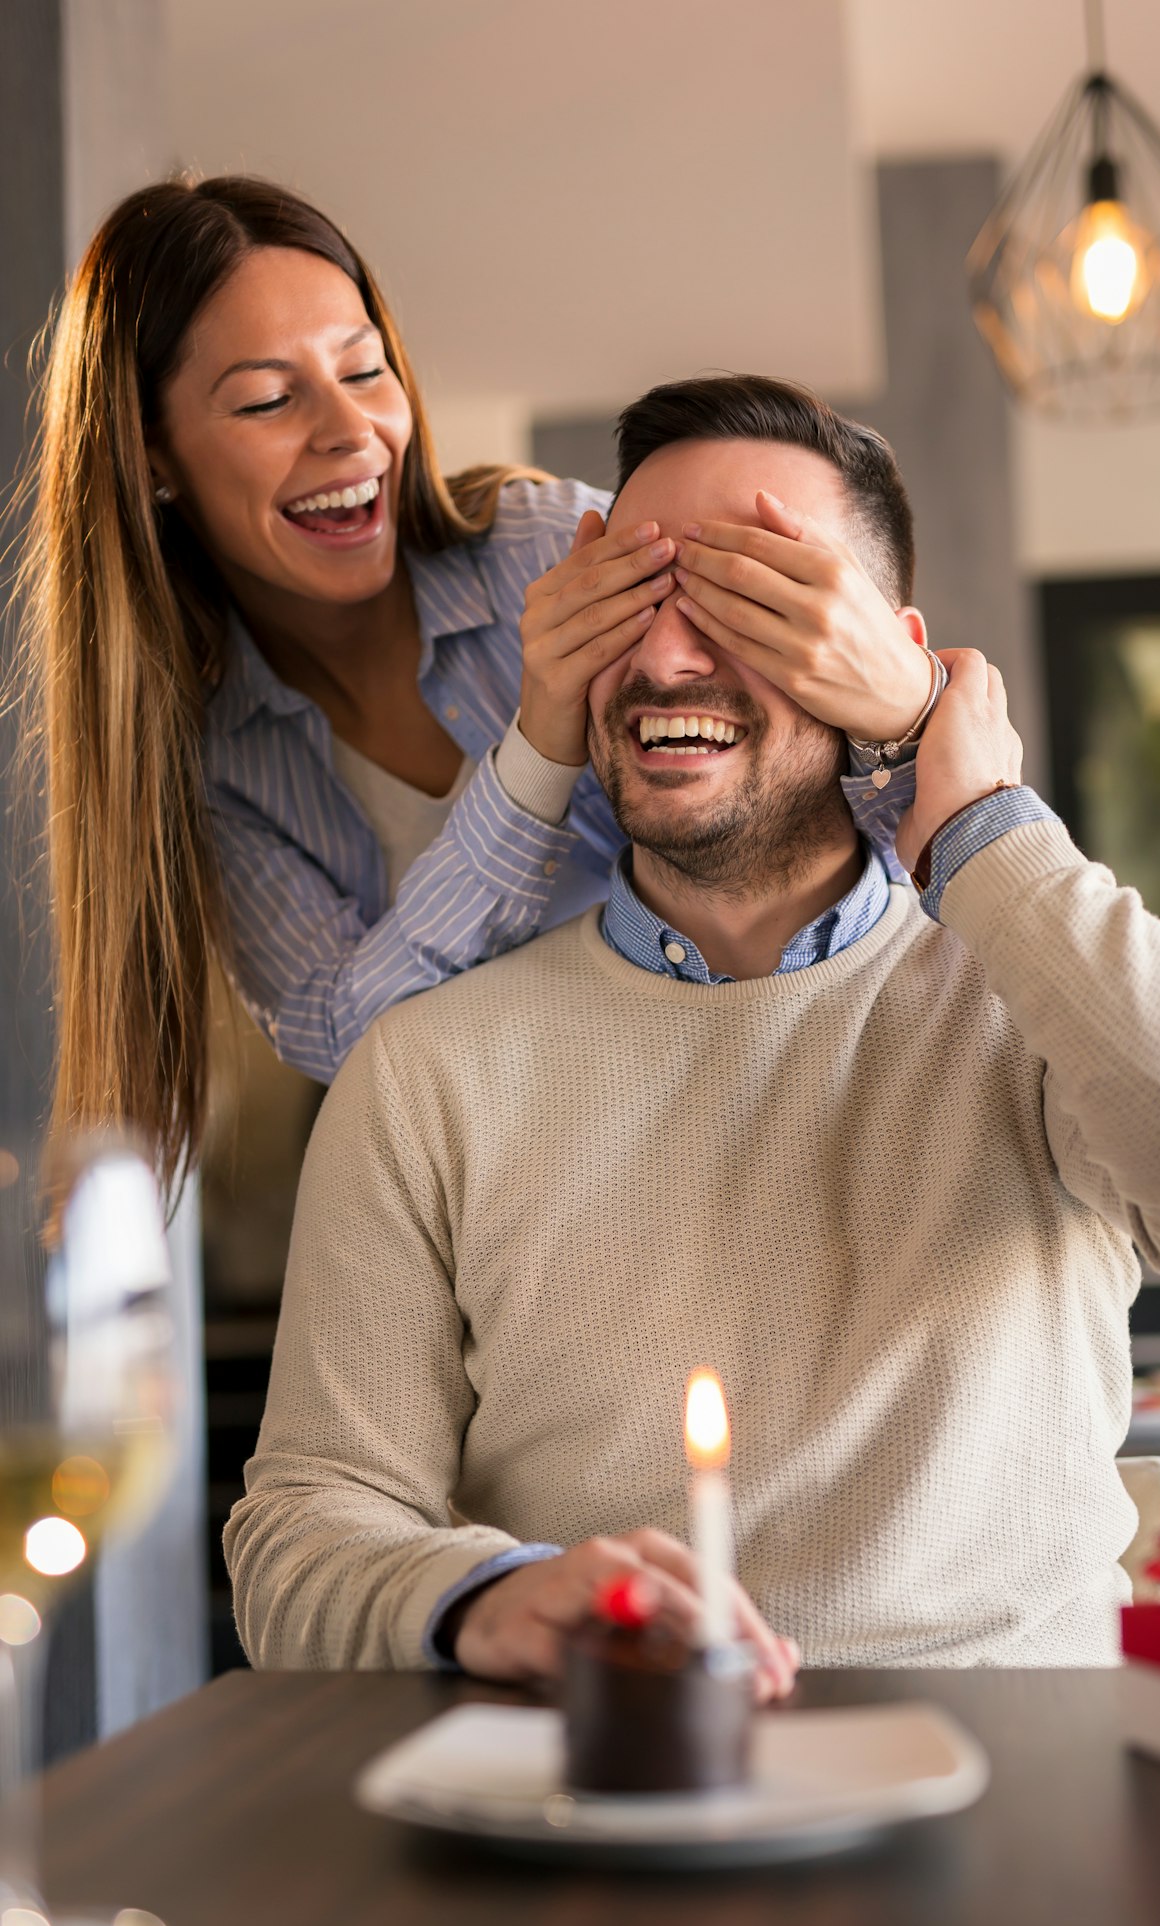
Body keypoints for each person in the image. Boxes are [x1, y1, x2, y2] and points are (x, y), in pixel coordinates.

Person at [225, 374, 1160, 1680]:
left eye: (757, 600)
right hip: (622, 1794)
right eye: (630, 597)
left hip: (1025, 1807)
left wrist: (972, 815)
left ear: (887, 652)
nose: (666, 658)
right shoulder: (426, 1073)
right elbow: (298, 1536)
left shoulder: (1032, 996)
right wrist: (485, 1600)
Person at [14, 176, 932, 1197]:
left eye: (365, 372)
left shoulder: (548, 551)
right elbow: (348, 1038)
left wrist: (904, 707)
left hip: (791, 1110)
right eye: (269, 399)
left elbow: (848, 820)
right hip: (540, 1198)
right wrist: (535, 753)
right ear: (153, 460)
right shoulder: (211, 765)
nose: (349, 433)